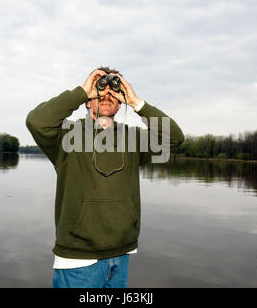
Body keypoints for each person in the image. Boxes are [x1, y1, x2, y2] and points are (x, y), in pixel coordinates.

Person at [25, 67, 184, 288]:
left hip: (121, 255)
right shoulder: (66, 136)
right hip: (78, 261)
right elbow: (36, 121)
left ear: (120, 104)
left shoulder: (134, 138)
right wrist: (82, 91)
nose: (106, 96)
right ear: (88, 102)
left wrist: (137, 102)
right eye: (100, 91)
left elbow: (174, 139)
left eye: (113, 93)